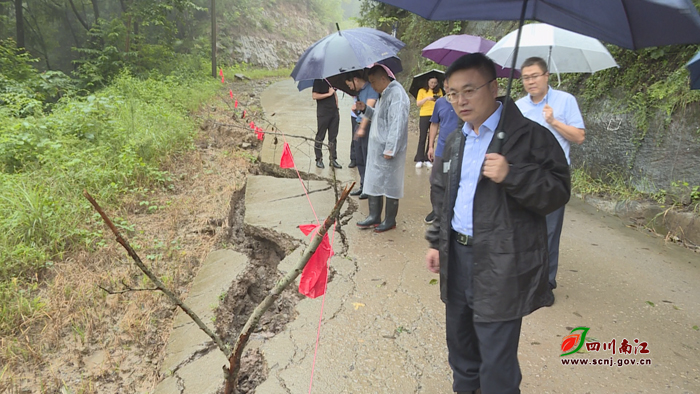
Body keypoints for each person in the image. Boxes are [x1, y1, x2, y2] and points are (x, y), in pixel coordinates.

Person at [425, 53, 570, 394]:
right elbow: (441, 192)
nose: (460, 101)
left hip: (502, 260)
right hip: (457, 257)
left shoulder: (530, 137)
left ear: (493, 88)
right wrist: (435, 241)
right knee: (460, 343)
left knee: (496, 355)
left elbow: (558, 191)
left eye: (469, 90)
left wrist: (512, 175)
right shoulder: (458, 138)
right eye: (452, 93)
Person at [515, 56, 585, 291]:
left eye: (535, 76)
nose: (530, 82)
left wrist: (553, 121)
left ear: (546, 76)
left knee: (549, 232)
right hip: (525, 176)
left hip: (553, 177)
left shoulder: (565, 101)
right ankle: (524, 277)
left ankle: (545, 283)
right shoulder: (518, 107)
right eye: (526, 78)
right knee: (523, 228)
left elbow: (579, 137)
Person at [354, 65, 410, 233]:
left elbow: (397, 123)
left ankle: (390, 220)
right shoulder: (384, 94)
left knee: (391, 184)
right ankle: (374, 216)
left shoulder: (397, 94)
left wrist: (391, 148)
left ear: (383, 79)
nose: (372, 86)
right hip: (377, 148)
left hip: (388, 150)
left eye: (373, 82)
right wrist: (365, 109)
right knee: (374, 181)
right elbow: (379, 116)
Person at [424, 79, 462, 224]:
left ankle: (452, 211)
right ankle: (437, 210)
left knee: (455, 181)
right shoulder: (440, 103)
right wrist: (431, 146)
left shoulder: (463, 101)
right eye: (446, 86)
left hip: (460, 149)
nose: (448, 88)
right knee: (436, 181)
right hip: (441, 148)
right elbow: (434, 124)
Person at [345, 71, 379, 199]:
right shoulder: (359, 92)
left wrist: (362, 128)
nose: (350, 88)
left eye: (350, 85)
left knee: (367, 157)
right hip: (358, 123)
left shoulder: (371, 89)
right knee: (359, 158)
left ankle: (370, 188)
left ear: (356, 79)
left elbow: (369, 112)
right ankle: (363, 185)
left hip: (368, 125)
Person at [312, 79, 342, 169]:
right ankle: (319, 159)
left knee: (333, 137)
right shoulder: (318, 80)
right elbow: (314, 95)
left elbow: (335, 94)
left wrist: (337, 108)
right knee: (320, 136)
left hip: (334, 112)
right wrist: (328, 94)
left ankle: (333, 159)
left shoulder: (332, 79)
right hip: (323, 113)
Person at [415, 76, 443, 168]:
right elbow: (418, 103)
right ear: (428, 82)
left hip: (435, 115)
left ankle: (428, 158)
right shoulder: (422, 91)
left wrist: (437, 99)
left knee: (431, 137)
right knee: (422, 136)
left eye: (435, 83)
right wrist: (427, 98)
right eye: (431, 82)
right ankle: (419, 158)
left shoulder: (439, 91)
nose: (433, 84)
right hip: (424, 114)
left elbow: (442, 102)